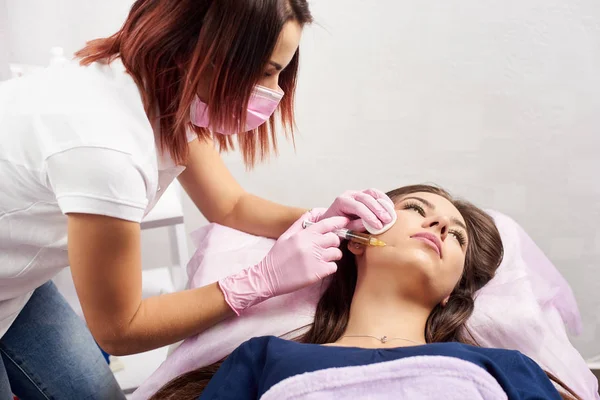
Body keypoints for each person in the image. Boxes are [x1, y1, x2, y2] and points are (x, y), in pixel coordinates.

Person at [0, 1, 396, 398]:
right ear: (201, 51)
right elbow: (119, 330)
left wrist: (322, 219)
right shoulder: (107, 150)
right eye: (266, 72)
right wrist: (260, 280)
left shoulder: (162, 88)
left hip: (16, 284)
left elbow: (229, 205)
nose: (274, 93)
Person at [152, 185, 580, 400]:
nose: (441, 227)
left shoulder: (508, 368)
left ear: (452, 291)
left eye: (459, 238)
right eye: (415, 209)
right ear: (357, 239)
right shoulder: (261, 357)